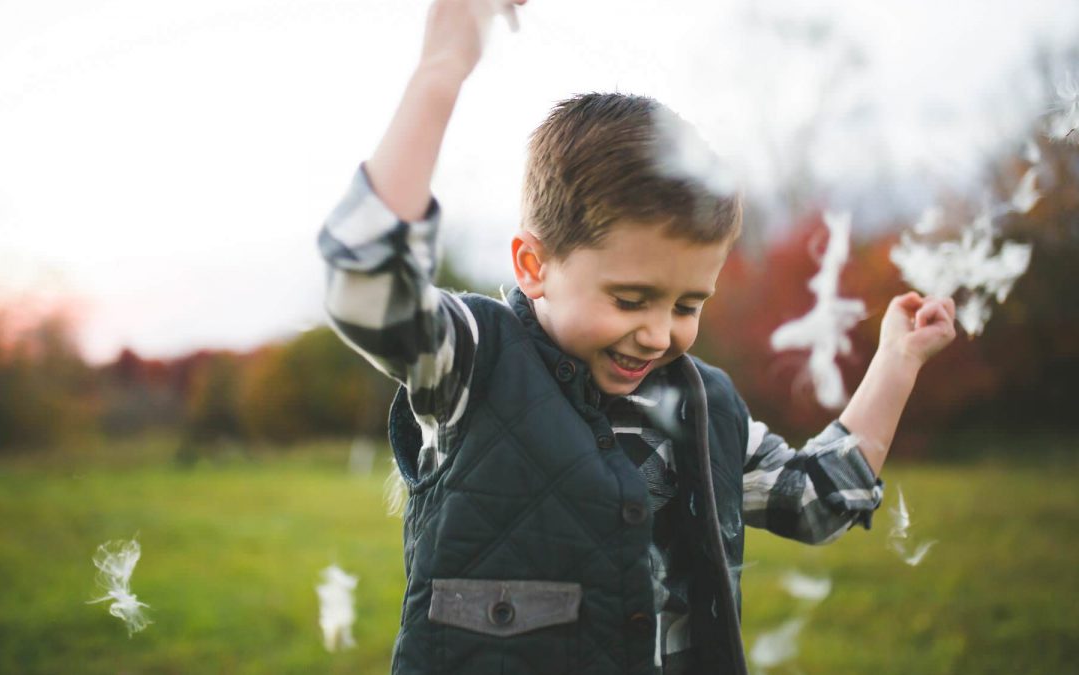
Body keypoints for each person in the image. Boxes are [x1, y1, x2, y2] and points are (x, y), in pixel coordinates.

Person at [316, 1, 958, 673]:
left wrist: (898, 359)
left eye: (689, 303)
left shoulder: (704, 408)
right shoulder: (474, 364)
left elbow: (815, 499)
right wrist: (442, 69)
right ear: (534, 266)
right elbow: (367, 281)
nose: (658, 333)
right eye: (631, 299)